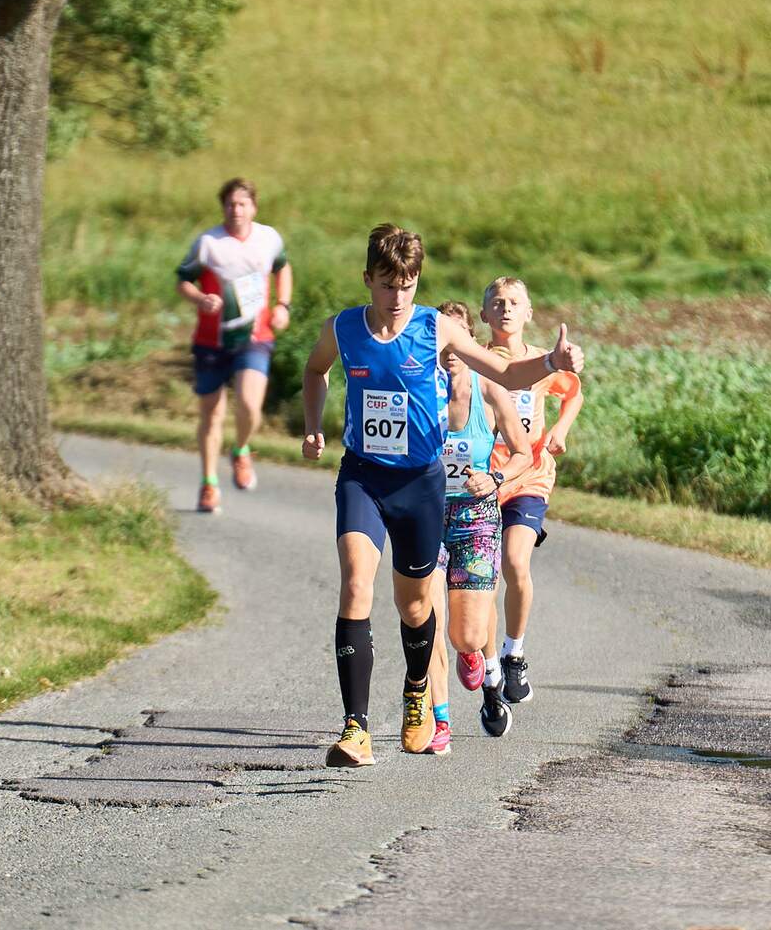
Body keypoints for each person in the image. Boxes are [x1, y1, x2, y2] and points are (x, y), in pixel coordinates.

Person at [301, 224, 583, 767]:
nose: (398, 296)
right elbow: (316, 370)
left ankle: (416, 689)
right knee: (356, 583)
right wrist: (315, 424)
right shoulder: (343, 329)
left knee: (414, 607)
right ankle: (355, 728)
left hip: (421, 482)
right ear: (368, 281)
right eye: (387, 284)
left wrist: (550, 363)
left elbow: (502, 369)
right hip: (362, 474)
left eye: (407, 284)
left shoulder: (435, 329)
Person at [423, 301, 532, 754]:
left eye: (457, 337)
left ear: (468, 341)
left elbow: (525, 452)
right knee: (424, 621)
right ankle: (439, 721)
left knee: (464, 634)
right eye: (440, 339)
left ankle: (482, 665)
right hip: (426, 516)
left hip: (475, 517)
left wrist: (497, 477)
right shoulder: (418, 389)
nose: (449, 348)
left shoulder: (490, 390)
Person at [481, 277, 584, 705]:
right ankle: (487, 666)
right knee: (482, 580)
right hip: (482, 479)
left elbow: (573, 392)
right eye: (497, 302)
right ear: (484, 314)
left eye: (514, 302)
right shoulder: (476, 361)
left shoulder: (543, 364)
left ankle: (514, 654)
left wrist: (560, 429)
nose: (505, 309)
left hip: (530, 476)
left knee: (515, 560)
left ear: (528, 313)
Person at [176, 178, 293, 513]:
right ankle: (209, 483)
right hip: (212, 341)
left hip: (255, 338)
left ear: (254, 207)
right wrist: (200, 298)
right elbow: (183, 280)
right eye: (230, 204)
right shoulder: (208, 244)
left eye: (242, 204)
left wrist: (283, 306)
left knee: (249, 405)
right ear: (222, 207)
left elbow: (283, 268)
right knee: (211, 415)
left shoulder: (268, 238)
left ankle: (241, 449)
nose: (236, 210)